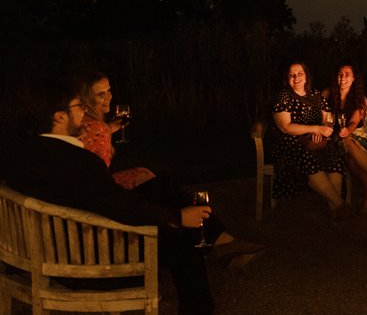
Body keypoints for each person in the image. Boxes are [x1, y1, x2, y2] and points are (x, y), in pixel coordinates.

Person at [0, 74, 267, 314]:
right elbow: (121, 207)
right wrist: (176, 217)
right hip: (85, 259)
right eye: (78, 106)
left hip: (38, 251)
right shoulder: (80, 162)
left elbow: (106, 199)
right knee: (183, 237)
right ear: (58, 116)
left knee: (159, 192)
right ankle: (201, 303)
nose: (83, 112)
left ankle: (219, 243)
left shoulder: (17, 152)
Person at [269, 61, 351, 221]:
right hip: (289, 142)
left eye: (299, 73)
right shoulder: (284, 96)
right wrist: (314, 129)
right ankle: (340, 205)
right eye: (292, 75)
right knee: (307, 158)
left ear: (306, 76)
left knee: (334, 151)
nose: (296, 77)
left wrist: (321, 130)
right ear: (287, 79)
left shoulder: (315, 94)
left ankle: (334, 211)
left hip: (314, 138)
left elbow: (328, 118)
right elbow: (285, 127)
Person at [77, 69, 155, 189]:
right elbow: (101, 175)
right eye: (101, 94)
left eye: (108, 91)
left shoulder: (79, 120)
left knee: (142, 172)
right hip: (92, 190)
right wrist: (103, 130)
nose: (109, 97)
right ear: (87, 99)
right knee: (146, 178)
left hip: (79, 184)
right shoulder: (96, 127)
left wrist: (109, 128)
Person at [323, 61, 367, 213]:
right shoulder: (328, 94)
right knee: (351, 160)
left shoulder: (360, 99)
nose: (343, 78)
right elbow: (320, 113)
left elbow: (354, 121)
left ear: (354, 78)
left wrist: (348, 130)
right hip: (335, 138)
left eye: (347, 75)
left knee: (348, 147)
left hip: (358, 138)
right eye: (340, 75)